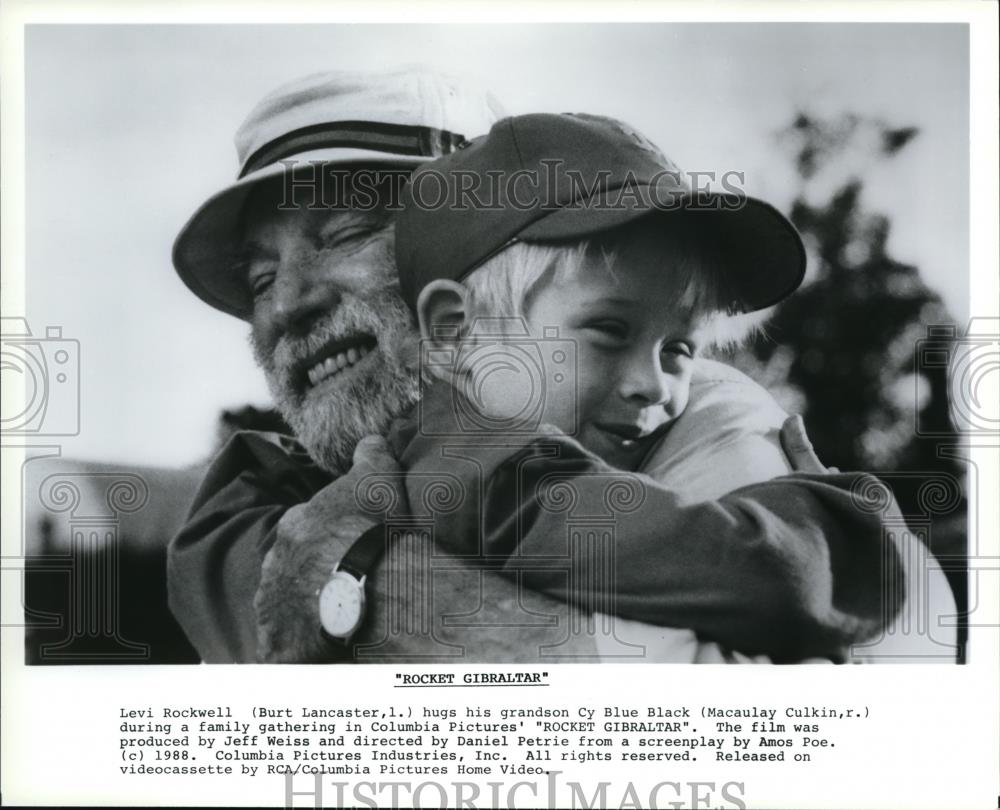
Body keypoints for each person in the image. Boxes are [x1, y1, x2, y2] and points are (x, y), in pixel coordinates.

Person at [168, 68, 954, 664]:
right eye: (260, 277)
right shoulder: (256, 502)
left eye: (342, 233)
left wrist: (353, 584)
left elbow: (807, 697)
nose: (287, 304)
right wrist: (849, 525)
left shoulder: (699, 421)